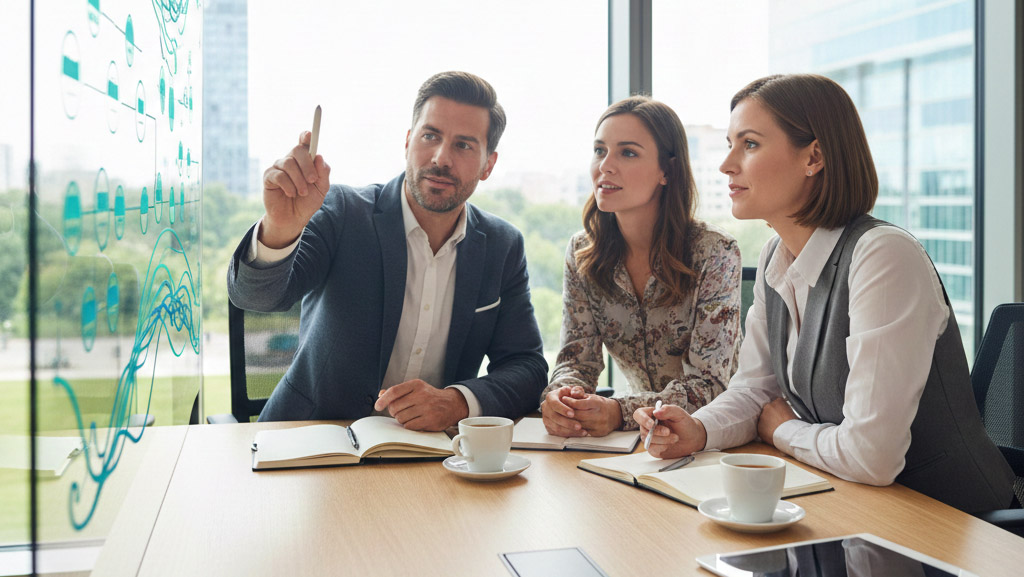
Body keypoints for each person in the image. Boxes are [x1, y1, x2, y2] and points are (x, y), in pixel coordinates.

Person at [635, 74, 1014, 513]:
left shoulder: (883, 256)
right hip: (852, 506)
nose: (727, 165)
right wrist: (696, 429)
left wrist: (781, 430)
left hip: (950, 522)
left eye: (750, 144)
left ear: (813, 157)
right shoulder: (778, 255)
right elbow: (755, 392)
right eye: (729, 144)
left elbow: (872, 456)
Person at [227, 71, 548, 430]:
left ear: (488, 164)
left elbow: (527, 367)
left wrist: (456, 402)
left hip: (429, 455)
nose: (441, 158)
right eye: (430, 136)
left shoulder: (502, 245)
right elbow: (255, 297)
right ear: (408, 141)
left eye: (464, 145)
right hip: (314, 440)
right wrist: (281, 227)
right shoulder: (344, 211)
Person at [540, 96, 742, 438]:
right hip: (637, 440)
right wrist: (562, 397)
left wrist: (619, 412)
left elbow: (710, 386)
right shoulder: (582, 252)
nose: (606, 165)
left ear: (668, 170)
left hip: (717, 435)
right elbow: (577, 361)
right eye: (600, 150)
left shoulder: (715, 253)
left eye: (627, 152)